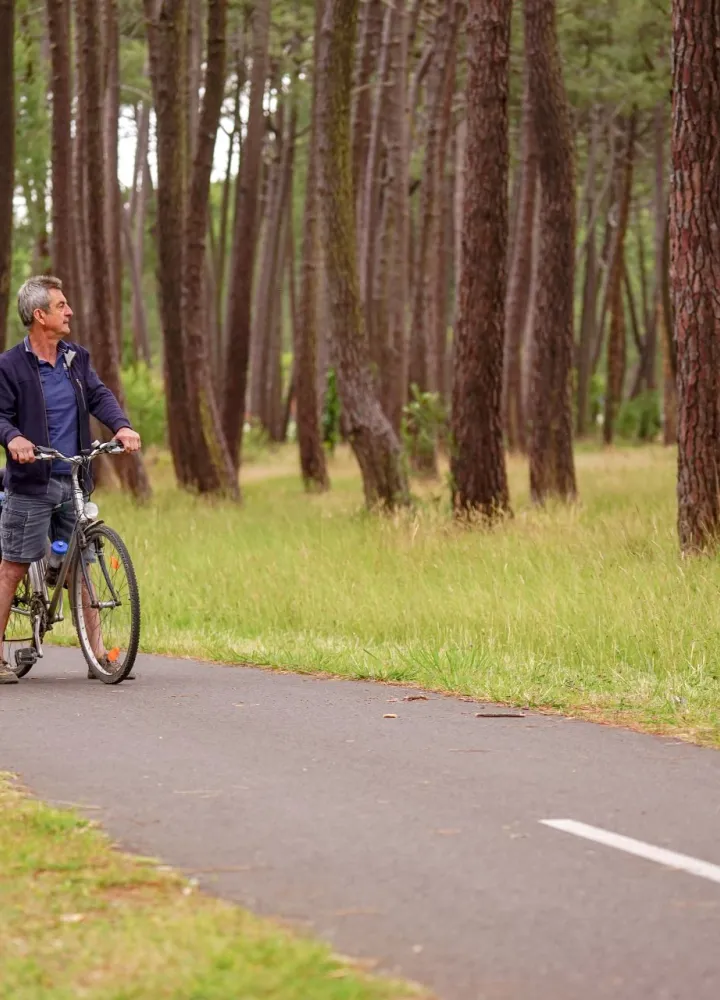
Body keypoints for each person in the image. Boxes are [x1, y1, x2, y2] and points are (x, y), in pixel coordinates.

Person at [0, 276, 141, 684]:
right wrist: (14, 438)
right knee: (13, 567)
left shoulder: (75, 358)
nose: (70, 312)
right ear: (39, 315)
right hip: (31, 483)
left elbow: (98, 396)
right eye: (61, 305)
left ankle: (99, 656)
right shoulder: (10, 365)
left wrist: (121, 426)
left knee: (84, 565)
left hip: (74, 480)